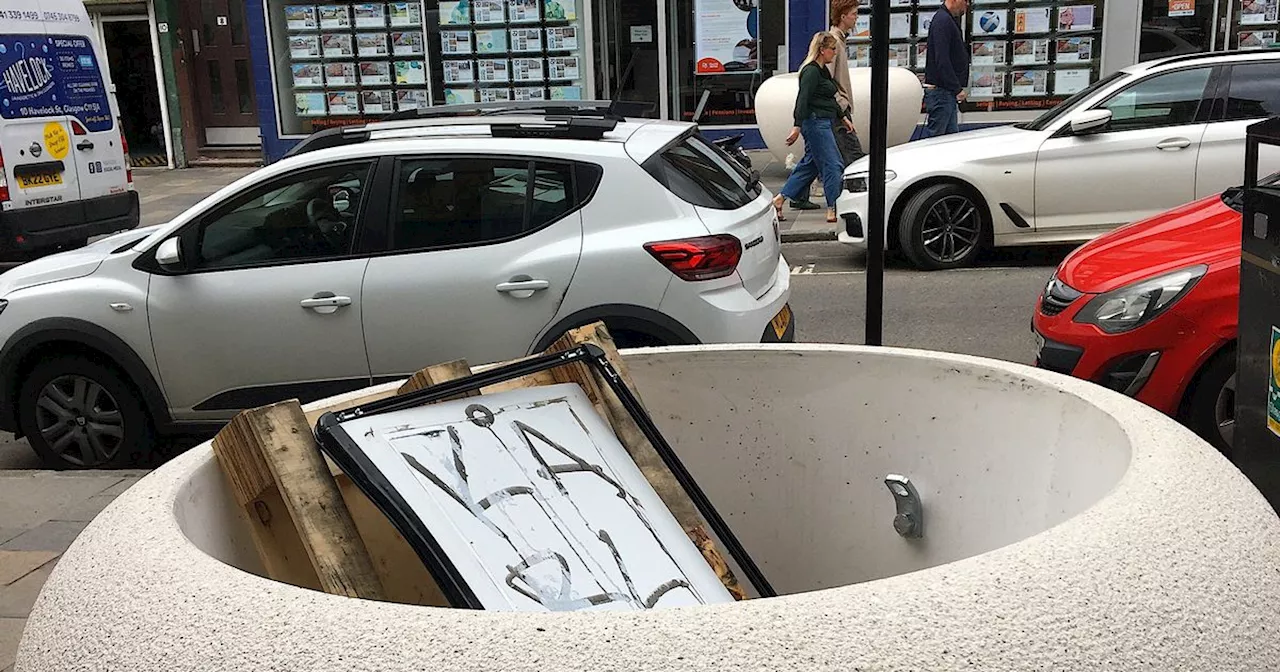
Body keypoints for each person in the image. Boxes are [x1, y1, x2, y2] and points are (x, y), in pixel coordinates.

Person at [789, 0, 863, 211]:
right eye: (853, 13)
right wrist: (842, 110)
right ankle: (841, 203)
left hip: (830, 110)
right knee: (846, 157)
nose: (856, 17)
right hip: (831, 109)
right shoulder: (834, 43)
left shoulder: (839, 41)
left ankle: (792, 196)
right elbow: (824, 82)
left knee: (813, 159)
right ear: (843, 16)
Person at [772, 32, 851, 225]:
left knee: (810, 165)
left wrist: (843, 117)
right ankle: (833, 207)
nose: (834, 53)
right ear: (822, 50)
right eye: (832, 49)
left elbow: (828, 99)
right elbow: (803, 100)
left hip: (822, 121)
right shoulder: (811, 71)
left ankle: (779, 200)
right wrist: (797, 126)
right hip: (815, 123)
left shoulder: (822, 70)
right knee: (833, 164)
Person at [923, 0, 970, 138]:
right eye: (965, 1)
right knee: (937, 139)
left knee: (949, 140)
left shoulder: (948, 19)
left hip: (946, 92)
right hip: (941, 92)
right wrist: (957, 88)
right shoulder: (943, 21)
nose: (966, 6)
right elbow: (942, 60)